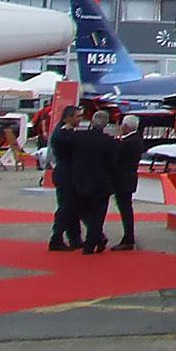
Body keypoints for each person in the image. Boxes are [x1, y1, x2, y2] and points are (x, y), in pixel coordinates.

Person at [69, 110, 119, 255]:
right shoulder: (109, 142)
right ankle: (91, 243)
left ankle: (97, 238)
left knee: (83, 211)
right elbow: (113, 165)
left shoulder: (78, 137)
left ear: (91, 121)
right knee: (98, 215)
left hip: (81, 181)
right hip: (101, 183)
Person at [45, 105, 83, 252]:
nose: (80, 119)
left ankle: (74, 238)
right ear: (69, 118)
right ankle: (57, 238)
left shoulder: (65, 132)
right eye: (77, 117)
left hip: (69, 174)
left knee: (73, 207)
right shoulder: (62, 134)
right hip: (65, 175)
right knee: (66, 208)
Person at [111, 116, 145, 251]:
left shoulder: (128, 143)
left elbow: (116, 157)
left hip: (123, 179)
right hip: (128, 178)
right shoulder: (135, 140)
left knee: (125, 209)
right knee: (126, 208)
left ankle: (128, 237)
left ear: (126, 127)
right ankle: (128, 236)